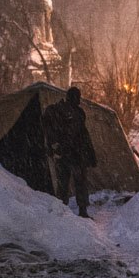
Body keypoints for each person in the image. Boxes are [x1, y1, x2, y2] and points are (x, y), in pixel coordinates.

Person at [42, 86, 98, 218]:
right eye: (78, 97)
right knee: (80, 183)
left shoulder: (56, 110)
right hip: (75, 154)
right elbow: (82, 135)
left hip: (63, 154)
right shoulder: (76, 113)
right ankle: (81, 211)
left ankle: (62, 212)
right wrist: (88, 154)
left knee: (63, 184)